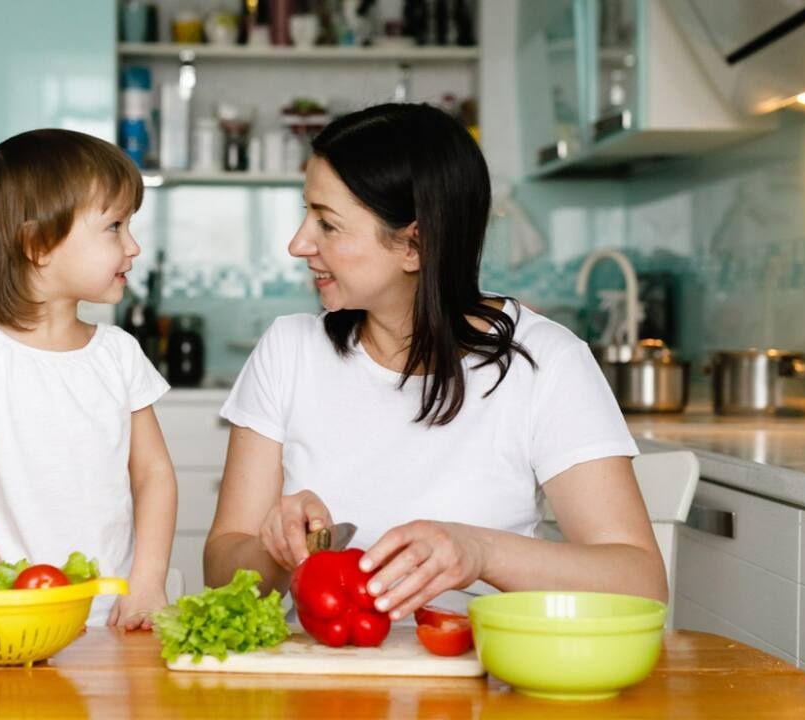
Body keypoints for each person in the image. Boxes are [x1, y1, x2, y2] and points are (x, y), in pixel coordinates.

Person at [204, 104, 667, 622]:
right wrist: (276, 547)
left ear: (414, 245)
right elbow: (223, 567)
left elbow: (641, 585)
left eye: (327, 224)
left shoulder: (546, 362)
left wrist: (481, 552)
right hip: (318, 678)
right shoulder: (288, 350)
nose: (298, 243)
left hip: (485, 684)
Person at [0, 129, 177, 629]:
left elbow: (154, 474)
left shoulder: (118, 354)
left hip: (112, 617)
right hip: (10, 619)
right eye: (115, 227)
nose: (134, 246)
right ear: (38, 244)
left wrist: (148, 578)